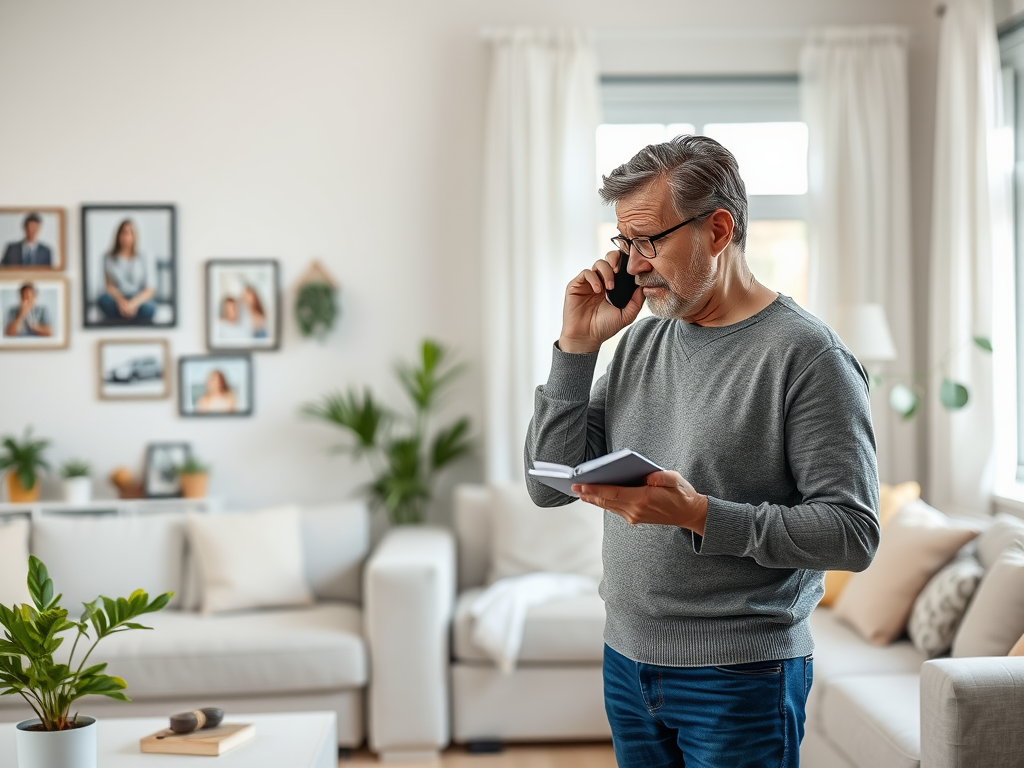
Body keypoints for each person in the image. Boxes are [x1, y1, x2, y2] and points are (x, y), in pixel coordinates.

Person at [524, 135, 880, 768]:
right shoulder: (641, 343)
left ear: (719, 229)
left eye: (649, 241)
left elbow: (853, 533)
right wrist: (576, 351)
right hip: (627, 661)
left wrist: (699, 516)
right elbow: (547, 484)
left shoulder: (808, 358)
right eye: (623, 242)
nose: (632, 265)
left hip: (740, 676)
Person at [98, 219, 156, 323]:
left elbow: (149, 289)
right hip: (117, 298)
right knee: (103, 301)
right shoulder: (108, 257)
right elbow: (109, 286)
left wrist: (133, 304)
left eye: (129, 233)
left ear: (135, 236)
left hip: (138, 298)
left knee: (149, 308)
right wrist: (122, 302)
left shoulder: (145, 257)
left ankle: (127, 316)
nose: (126, 237)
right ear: (118, 235)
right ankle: (124, 316)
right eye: (123, 233)